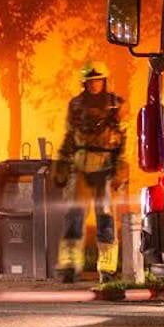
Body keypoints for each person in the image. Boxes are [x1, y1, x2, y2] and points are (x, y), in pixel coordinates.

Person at [54, 63, 128, 283]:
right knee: (73, 217)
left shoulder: (116, 105)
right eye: (91, 81)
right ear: (84, 83)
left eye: (99, 80)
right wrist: (63, 162)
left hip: (106, 168)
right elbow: (69, 136)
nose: (95, 84)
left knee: (105, 218)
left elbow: (123, 140)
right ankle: (69, 266)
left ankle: (106, 269)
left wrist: (120, 169)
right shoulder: (75, 105)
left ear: (104, 81)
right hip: (81, 165)